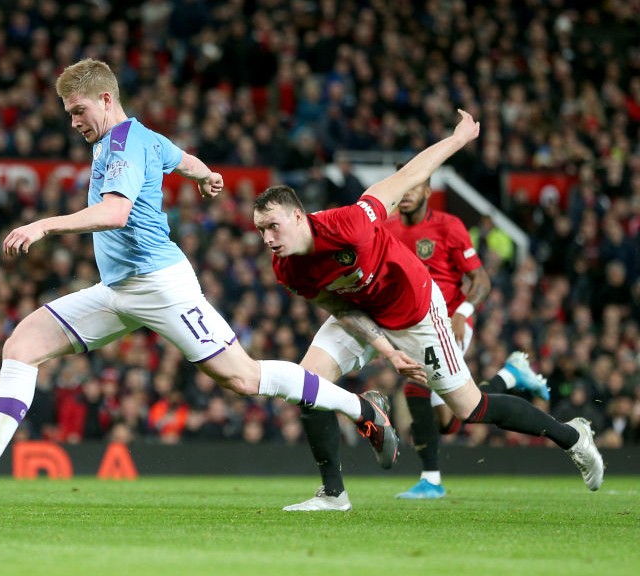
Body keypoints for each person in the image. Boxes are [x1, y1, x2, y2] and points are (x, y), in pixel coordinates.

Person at [0, 58, 403, 496]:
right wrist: (205, 174)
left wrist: (44, 224)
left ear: (106, 100)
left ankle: (363, 411)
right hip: (117, 291)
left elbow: (115, 212)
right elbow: (180, 157)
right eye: (69, 113)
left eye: (79, 110)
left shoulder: (124, 144)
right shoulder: (141, 137)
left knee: (244, 377)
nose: (74, 122)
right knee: (22, 345)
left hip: (160, 285)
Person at [251, 110, 604, 512]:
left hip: (417, 312)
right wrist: (386, 352)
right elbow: (338, 305)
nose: (267, 238)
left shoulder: (351, 223)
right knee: (306, 385)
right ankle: (334, 493)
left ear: (298, 216)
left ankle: (573, 438)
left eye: (273, 226)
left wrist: (459, 139)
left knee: (470, 409)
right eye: (261, 230)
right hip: (363, 312)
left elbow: (410, 174)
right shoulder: (287, 267)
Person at [384, 165, 550, 499]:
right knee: (450, 420)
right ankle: (509, 376)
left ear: (429, 191)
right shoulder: (387, 231)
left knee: (416, 387)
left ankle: (431, 480)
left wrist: (463, 312)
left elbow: (481, 280)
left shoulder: (448, 226)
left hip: (450, 324)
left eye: (415, 187)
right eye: (403, 187)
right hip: (414, 327)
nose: (407, 194)